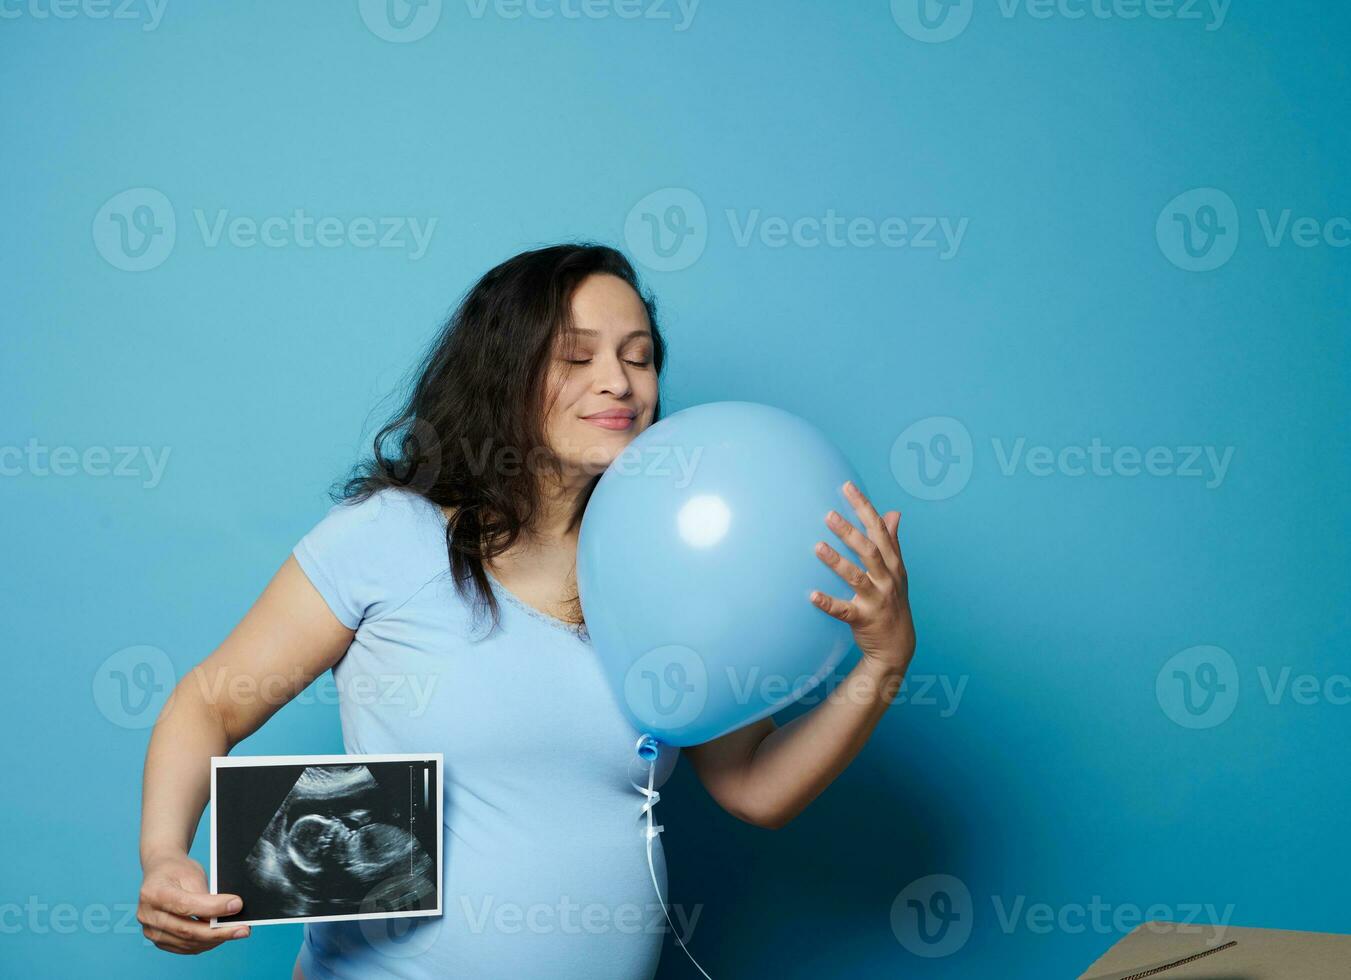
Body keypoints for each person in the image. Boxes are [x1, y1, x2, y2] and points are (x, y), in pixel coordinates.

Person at [136, 243, 917, 979]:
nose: (618, 381)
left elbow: (754, 788)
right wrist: (165, 857)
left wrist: (882, 664)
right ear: (502, 374)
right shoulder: (391, 538)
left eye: (638, 357)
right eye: (576, 357)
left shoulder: (674, 578)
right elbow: (208, 702)